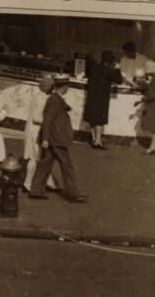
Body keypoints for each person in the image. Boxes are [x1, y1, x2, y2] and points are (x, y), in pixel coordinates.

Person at [30, 74, 87, 203]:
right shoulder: (55, 99)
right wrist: (45, 139)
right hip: (57, 138)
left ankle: (36, 191)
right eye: (67, 86)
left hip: (52, 138)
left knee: (45, 164)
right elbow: (48, 120)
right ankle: (73, 194)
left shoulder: (56, 98)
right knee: (67, 166)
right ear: (65, 87)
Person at [23, 74, 56, 193]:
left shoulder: (37, 97)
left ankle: (49, 182)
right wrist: (50, 121)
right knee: (35, 157)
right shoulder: (42, 100)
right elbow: (36, 118)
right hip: (36, 132)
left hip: (32, 131)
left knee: (39, 157)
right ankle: (27, 183)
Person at [85, 52, 124, 149]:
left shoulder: (93, 68)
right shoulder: (107, 70)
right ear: (111, 61)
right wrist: (118, 68)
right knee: (99, 120)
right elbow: (119, 81)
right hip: (101, 98)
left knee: (92, 119)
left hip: (91, 96)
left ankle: (93, 140)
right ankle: (98, 142)